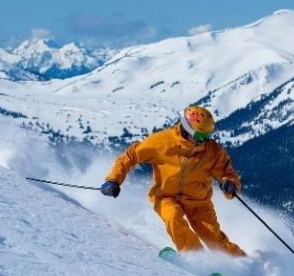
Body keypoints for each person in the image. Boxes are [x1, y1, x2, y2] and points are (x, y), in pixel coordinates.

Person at [100, 105, 247, 257]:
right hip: (165, 197)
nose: (204, 141)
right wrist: (113, 180)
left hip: (198, 201)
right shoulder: (161, 142)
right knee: (173, 218)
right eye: (200, 137)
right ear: (187, 130)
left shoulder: (212, 150)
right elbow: (130, 157)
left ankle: (244, 265)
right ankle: (197, 258)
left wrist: (230, 184)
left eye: (207, 136)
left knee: (214, 239)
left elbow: (227, 172)